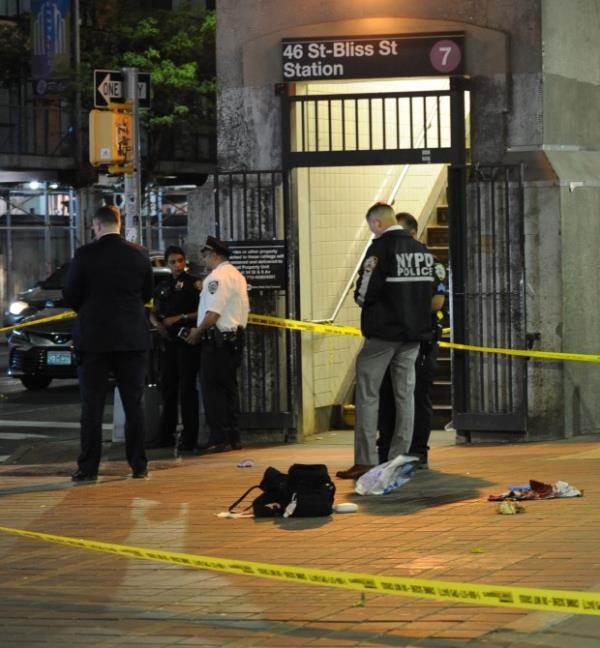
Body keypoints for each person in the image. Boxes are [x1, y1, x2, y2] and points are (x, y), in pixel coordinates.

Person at [336, 203, 435, 480]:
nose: (372, 231)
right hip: (414, 335)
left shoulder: (379, 249)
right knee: (406, 396)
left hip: (382, 334)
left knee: (368, 395)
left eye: (371, 226)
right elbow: (427, 293)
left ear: (378, 223)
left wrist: (360, 301)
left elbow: (365, 291)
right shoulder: (422, 251)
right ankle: (399, 458)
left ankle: (366, 460)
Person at [63, 205, 153, 482]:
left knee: (92, 405)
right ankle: (138, 465)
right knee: (133, 404)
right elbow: (147, 293)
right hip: (132, 338)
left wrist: (90, 310)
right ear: (119, 223)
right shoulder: (140, 254)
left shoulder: (85, 254)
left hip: (94, 339)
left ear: (97, 225)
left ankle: (88, 468)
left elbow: (71, 293)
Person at [377, 212, 448, 469]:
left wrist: (405, 309)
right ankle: (386, 450)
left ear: (413, 233)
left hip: (421, 339)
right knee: (387, 396)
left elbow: (438, 301)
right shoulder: (388, 261)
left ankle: (417, 452)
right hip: (391, 337)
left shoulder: (431, 262)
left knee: (417, 394)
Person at [186, 236, 249, 452]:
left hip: (217, 342)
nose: (204, 260)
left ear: (214, 255)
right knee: (229, 388)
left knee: (212, 389)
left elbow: (213, 313)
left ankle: (218, 438)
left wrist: (197, 331)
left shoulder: (217, 277)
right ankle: (233, 437)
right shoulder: (236, 275)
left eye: (205, 255)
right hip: (234, 340)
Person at [149, 246, 201, 451]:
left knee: (187, 390)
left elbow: (203, 311)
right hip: (167, 343)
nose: (177, 265)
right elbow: (153, 311)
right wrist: (157, 323)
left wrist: (180, 318)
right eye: (173, 262)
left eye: (180, 260)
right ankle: (166, 436)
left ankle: (190, 438)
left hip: (187, 342)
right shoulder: (163, 286)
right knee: (168, 391)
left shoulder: (194, 284)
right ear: (167, 263)